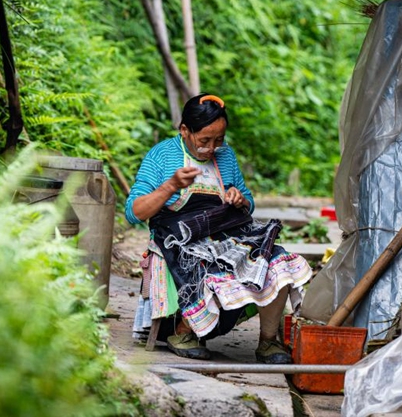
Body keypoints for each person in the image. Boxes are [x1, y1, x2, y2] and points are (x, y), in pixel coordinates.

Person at [126, 93, 312, 363]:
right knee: (207, 263)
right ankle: (183, 331)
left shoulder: (226, 157)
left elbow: (248, 204)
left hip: (225, 232)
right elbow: (133, 212)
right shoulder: (162, 156)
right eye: (204, 141)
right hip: (180, 238)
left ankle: (269, 342)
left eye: (219, 140)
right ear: (185, 131)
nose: (212, 148)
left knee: (274, 257)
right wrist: (171, 186)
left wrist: (240, 198)